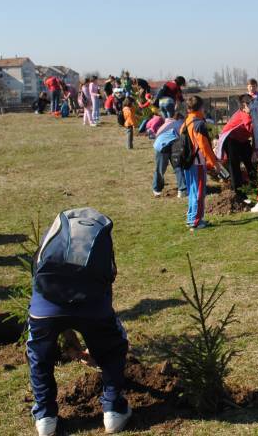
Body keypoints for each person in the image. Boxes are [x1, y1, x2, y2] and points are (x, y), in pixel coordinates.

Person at [27, 209, 131, 436]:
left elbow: (40, 282)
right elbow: (106, 289)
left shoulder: (52, 240)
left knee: (39, 356)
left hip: (44, 309)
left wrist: (69, 339)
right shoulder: (100, 245)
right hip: (93, 305)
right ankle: (113, 411)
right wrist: (97, 347)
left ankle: (45, 417)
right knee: (115, 346)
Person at [183, 96, 224, 229]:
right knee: (199, 191)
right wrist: (214, 163)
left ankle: (191, 218)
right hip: (197, 162)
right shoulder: (199, 123)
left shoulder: (187, 120)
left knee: (192, 191)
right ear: (201, 107)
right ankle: (196, 221)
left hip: (187, 161)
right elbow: (204, 146)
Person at [215, 94, 256, 202]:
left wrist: (255, 149)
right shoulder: (244, 113)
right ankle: (238, 192)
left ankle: (257, 189)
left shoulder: (252, 112)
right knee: (234, 165)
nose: (253, 105)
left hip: (242, 140)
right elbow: (252, 129)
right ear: (243, 105)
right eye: (250, 103)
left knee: (250, 163)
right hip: (230, 139)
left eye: (253, 102)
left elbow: (255, 133)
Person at [152, 114, 187, 198]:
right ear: (180, 119)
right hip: (162, 146)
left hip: (173, 144)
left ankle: (182, 189)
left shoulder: (171, 123)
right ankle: (157, 189)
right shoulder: (179, 123)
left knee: (178, 166)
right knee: (161, 168)